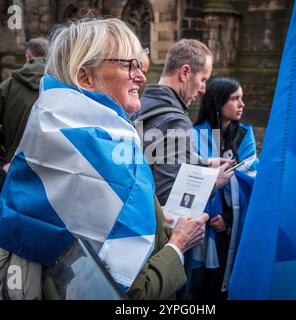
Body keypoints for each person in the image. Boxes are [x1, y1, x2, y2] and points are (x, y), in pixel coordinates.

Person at [0, 18, 209, 300]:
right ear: (85, 76)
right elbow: (128, 293)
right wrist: (177, 245)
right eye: (128, 65)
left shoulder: (53, 131)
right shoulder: (107, 160)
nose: (141, 76)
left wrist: (156, 220)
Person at [131, 39, 234, 300]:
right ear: (185, 72)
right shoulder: (176, 119)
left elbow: (155, 160)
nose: (203, 89)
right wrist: (214, 182)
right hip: (163, 250)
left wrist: (204, 163)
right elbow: (171, 200)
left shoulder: (141, 106)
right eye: (202, 79)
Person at [189, 77, 259, 300]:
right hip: (200, 224)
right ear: (218, 102)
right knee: (197, 288)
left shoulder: (245, 136)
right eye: (235, 99)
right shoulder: (193, 134)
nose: (242, 104)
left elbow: (250, 182)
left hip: (230, 227)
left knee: (220, 288)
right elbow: (190, 177)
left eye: (242, 98)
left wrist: (227, 218)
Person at [0, 37, 48, 188]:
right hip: (54, 169)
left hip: (13, 166)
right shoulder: (63, 85)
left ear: (28, 56)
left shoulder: (8, 86)